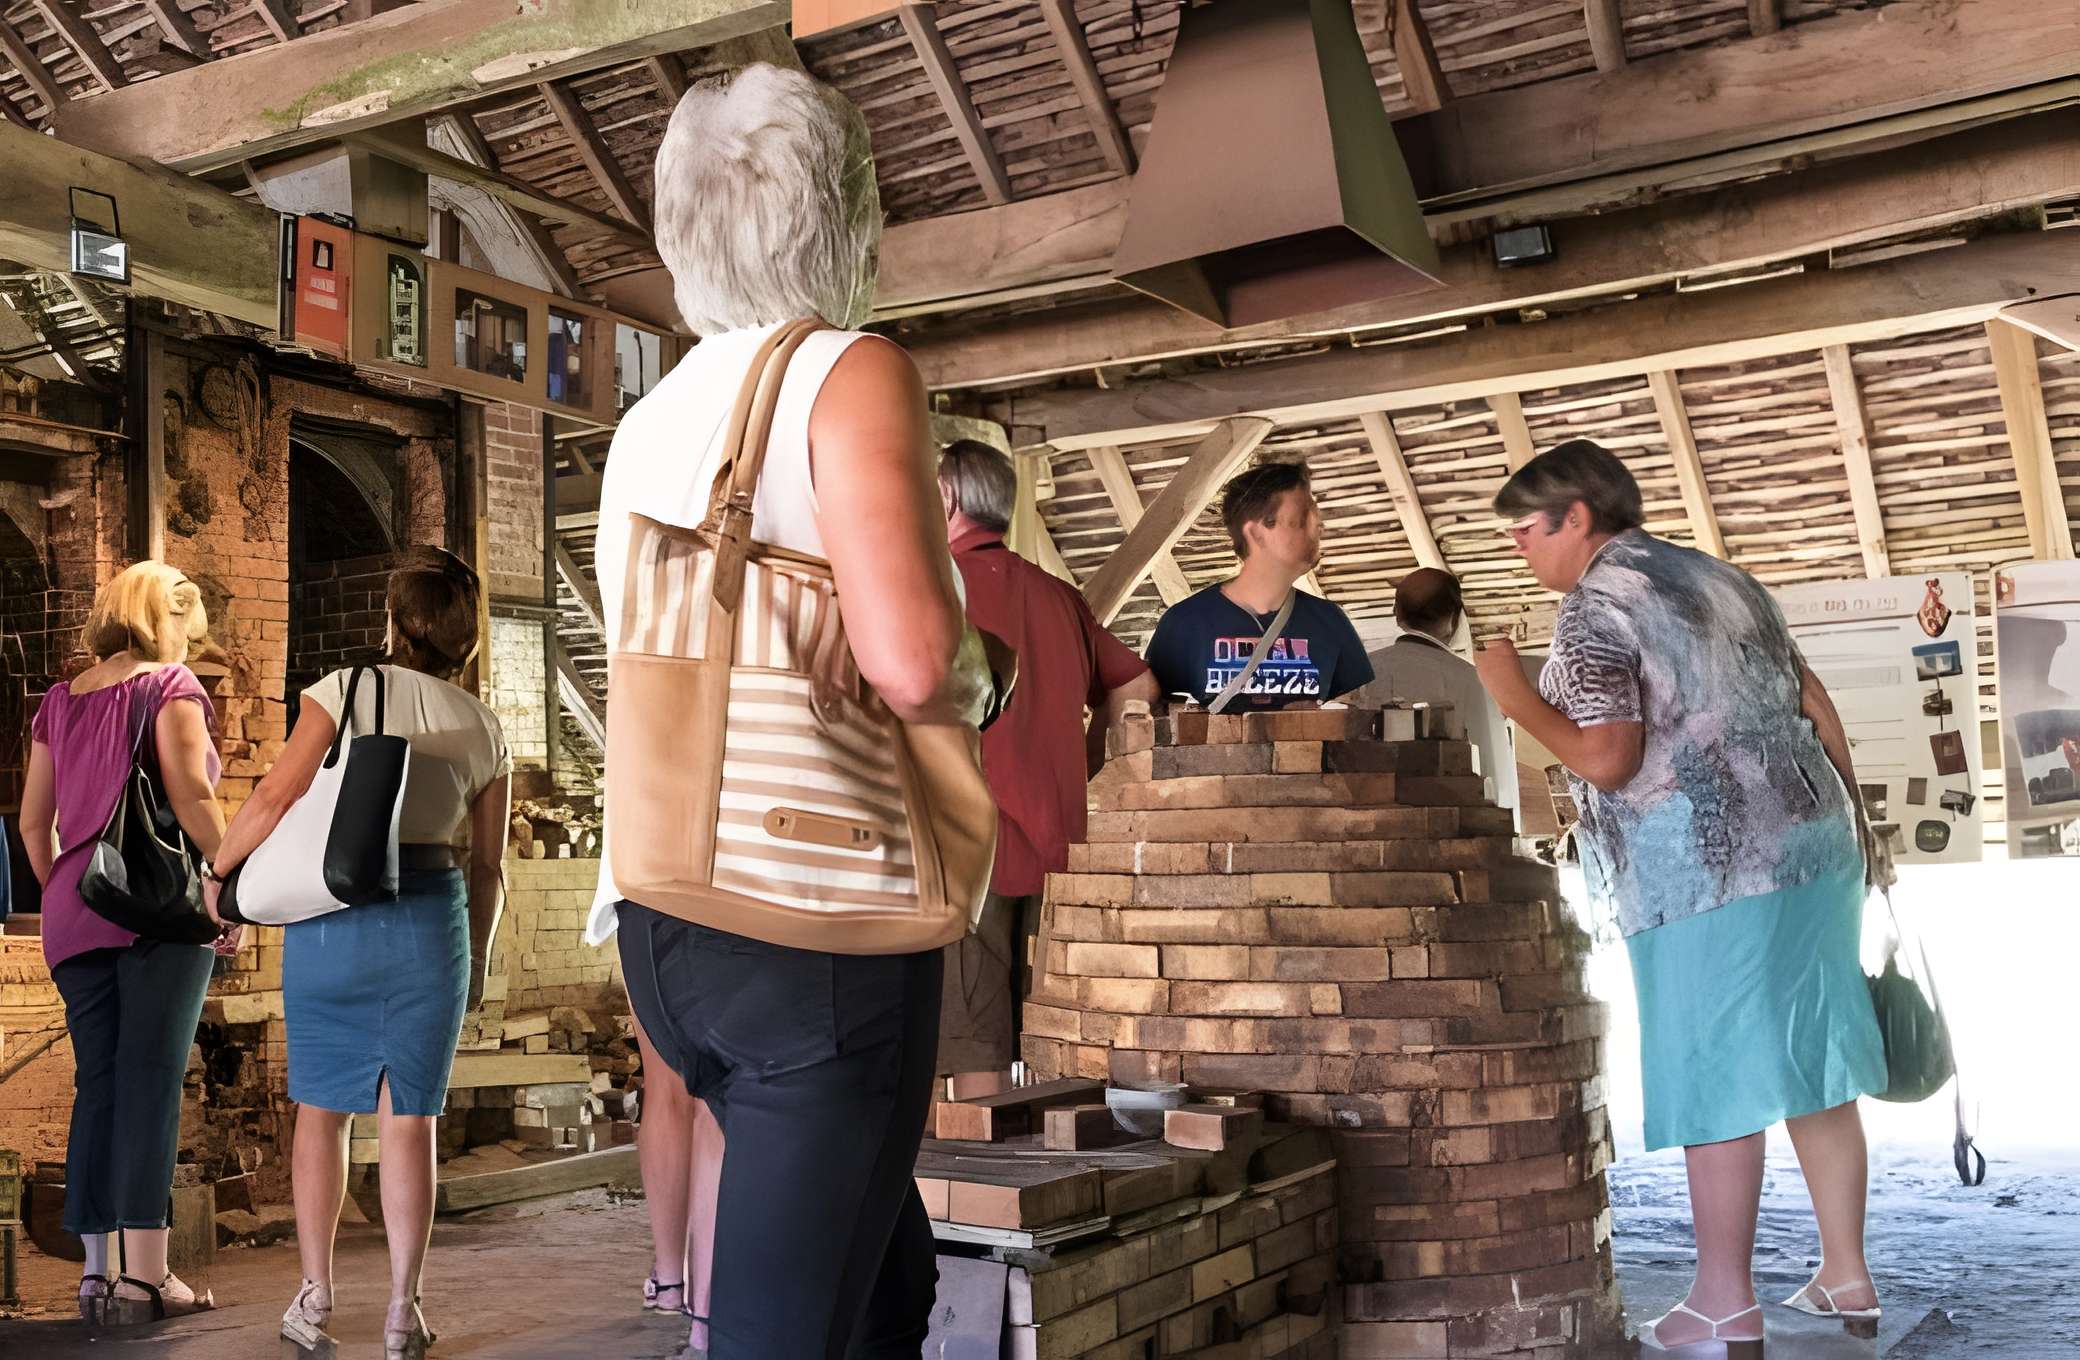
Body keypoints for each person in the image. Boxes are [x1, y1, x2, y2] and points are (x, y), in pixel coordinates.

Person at [581, 63, 995, 1360]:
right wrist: (991, 678)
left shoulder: (648, 420)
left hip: (668, 921)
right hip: (812, 922)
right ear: (842, 215)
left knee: (880, 1284)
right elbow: (917, 663)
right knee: (789, 1331)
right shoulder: (848, 372)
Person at [1471, 439, 1886, 1354]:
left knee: (1715, 1078)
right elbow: (1811, 697)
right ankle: (1846, 1273)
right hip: (1816, 847)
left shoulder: (1590, 613)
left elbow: (1607, 760)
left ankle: (1721, 1300)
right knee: (1814, 1061)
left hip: (1706, 869)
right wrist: (1857, 825)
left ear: (1577, 517)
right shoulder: (1721, 579)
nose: (1519, 550)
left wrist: (1508, 693)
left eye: (1525, 530)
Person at [205, 547, 511, 1360]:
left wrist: (219, 871)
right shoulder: (484, 726)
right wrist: (475, 959)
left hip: (334, 915)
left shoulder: (345, 690)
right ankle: (403, 1313)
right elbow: (488, 866)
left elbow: (277, 793)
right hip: (429, 927)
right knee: (411, 1119)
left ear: (393, 620)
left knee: (322, 1111)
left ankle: (314, 1299)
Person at [19, 561, 233, 1325]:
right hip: (159, 913)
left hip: (72, 915)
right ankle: (149, 1276)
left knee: (100, 1086)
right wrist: (234, 878)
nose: (190, 646)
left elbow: (31, 825)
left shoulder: (56, 701)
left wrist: (70, 891)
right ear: (167, 619)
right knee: (150, 1084)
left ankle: (98, 1272)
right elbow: (192, 795)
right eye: (190, 630)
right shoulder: (170, 688)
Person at [936, 440, 1156, 1071]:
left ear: (948, 498)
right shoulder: (1059, 596)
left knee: (968, 1051)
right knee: (1055, 1044)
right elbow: (1135, 686)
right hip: (1060, 847)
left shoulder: (935, 590)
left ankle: (976, 1172)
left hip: (965, 850)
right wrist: (1089, 767)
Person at [1143, 462, 1371, 710]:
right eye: (1300, 520)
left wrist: (1322, 718)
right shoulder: (1184, 623)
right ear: (1256, 533)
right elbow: (1156, 717)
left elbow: (1357, 711)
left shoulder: (1330, 621)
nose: (1318, 527)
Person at [1352, 567, 1518, 823]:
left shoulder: (1361, 673)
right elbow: (1495, 771)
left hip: (1368, 823)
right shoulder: (1472, 680)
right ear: (1454, 617)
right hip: (1449, 826)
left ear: (1398, 614)